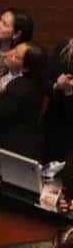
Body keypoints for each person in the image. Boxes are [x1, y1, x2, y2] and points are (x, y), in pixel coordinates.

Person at [0, 40, 46, 169]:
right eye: (14, 49)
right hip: (7, 151)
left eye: (16, 56)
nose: (9, 54)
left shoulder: (22, 87)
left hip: (14, 154)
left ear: (26, 68)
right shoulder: (12, 78)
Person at [42, 38, 73, 169]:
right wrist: (57, 86)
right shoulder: (63, 48)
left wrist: (69, 91)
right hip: (54, 124)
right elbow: (44, 81)